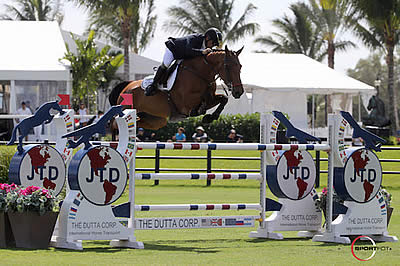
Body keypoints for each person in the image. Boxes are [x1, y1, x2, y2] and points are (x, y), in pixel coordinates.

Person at [145, 28, 223, 96]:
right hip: (173, 50)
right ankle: (153, 85)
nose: (212, 46)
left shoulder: (204, 46)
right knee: (166, 64)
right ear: (207, 38)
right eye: (213, 43)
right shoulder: (195, 38)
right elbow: (189, 51)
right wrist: (202, 52)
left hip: (183, 55)